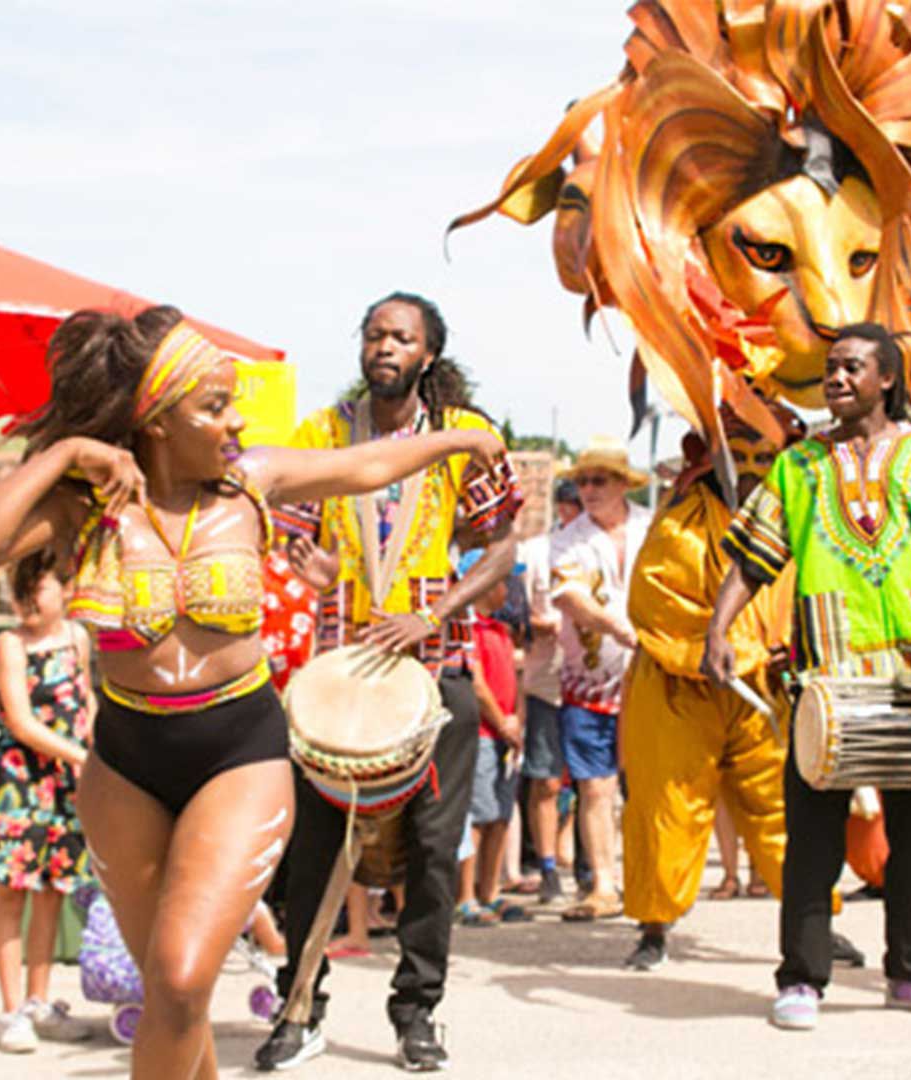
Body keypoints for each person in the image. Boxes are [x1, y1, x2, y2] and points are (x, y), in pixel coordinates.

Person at [0, 302, 504, 1079]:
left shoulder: (252, 486)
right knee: (176, 1000)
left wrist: (464, 437)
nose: (237, 421)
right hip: (124, 767)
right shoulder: (89, 505)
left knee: (177, 979)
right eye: (215, 406)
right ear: (157, 419)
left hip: (237, 756)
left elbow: (368, 466)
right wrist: (70, 449)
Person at [258, 292, 521, 1073]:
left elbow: (502, 546)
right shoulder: (322, 436)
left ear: (427, 354)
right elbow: (302, 544)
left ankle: (418, 1014)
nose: (385, 346)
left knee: (435, 857)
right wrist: (322, 572)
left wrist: (433, 611)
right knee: (312, 853)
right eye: (375, 333)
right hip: (337, 675)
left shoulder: (463, 438)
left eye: (402, 337)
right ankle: (299, 1008)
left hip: (434, 671)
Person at [710, 323, 911, 1028]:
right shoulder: (798, 467)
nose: (835, 378)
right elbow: (754, 560)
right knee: (811, 836)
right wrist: (720, 628)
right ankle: (802, 979)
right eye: (830, 368)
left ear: (888, 378)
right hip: (823, 671)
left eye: (851, 367)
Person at [622, 407, 801, 972]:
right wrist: (729, 648)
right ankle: (653, 928)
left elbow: (814, 598)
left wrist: (793, 649)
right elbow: (656, 603)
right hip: (681, 689)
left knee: (786, 810)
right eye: (741, 451)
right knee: (667, 808)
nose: (752, 468)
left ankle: (813, 920)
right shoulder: (679, 524)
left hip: (765, 694)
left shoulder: (795, 526)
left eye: (763, 454)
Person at [0, 551, 96, 1054]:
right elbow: (22, 722)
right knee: (12, 891)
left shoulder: (77, 638)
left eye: (37, 589)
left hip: (67, 781)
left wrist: (94, 743)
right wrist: (78, 756)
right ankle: (9, 1013)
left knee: (52, 890)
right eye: (19, 590)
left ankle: (38, 1001)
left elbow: (84, 696)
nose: (26, 600)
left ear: (65, 590)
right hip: (20, 780)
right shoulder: (10, 645)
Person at [551, 437, 653, 921]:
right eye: (582, 481)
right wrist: (614, 626)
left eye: (598, 480)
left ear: (622, 485)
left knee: (647, 786)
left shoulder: (654, 529)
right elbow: (569, 596)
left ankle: (647, 881)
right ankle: (603, 885)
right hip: (588, 681)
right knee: (594, 787)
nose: (587, 489)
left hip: (652, 678)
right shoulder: (568, 538)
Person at [456, 552, 527, 926]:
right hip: (484, 732)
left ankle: (491, 890)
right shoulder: (469, 629)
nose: (508, 588)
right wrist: (502, 723)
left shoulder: (501, 629)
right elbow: (479, 686)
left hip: (506, 733)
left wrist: (516, 724)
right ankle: (465, 896)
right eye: (502, 580)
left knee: (500, 813)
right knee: (478, 816)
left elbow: (516, 682)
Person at [519, 479, 579, 904]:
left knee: (594, 781)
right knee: (545, 780)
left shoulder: (602, 549)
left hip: (595, 682)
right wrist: (550, 625)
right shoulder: (536, 552)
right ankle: (547, 867)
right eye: (570, 504)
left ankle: (592, 868)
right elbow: (514, 615)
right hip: (547, 682)